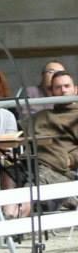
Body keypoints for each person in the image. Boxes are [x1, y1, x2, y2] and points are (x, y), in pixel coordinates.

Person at [16, 71, 78, 211]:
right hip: (28, 163)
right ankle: (10, 222)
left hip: (56, 169)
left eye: (67, 86)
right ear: (51, 92)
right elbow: (17, 133)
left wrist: (70, 159)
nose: (63, 90)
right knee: (8, 174)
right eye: (58, 87)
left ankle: (11, 223)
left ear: (75, 89)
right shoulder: (41, 116)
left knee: (34, 184)